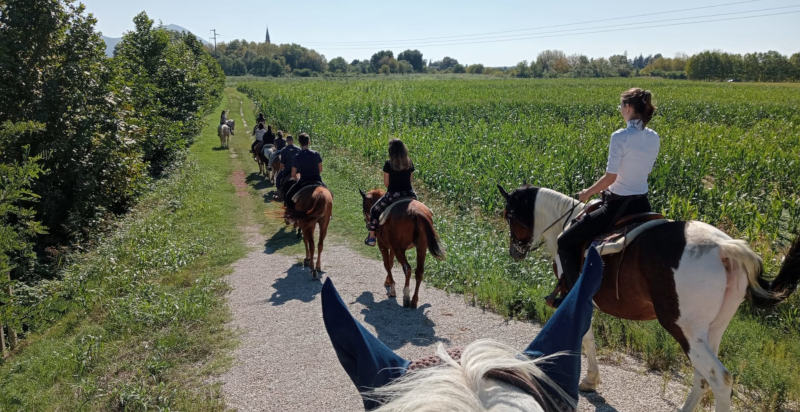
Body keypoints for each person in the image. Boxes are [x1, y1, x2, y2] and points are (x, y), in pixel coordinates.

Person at [554, 88, 659, 307]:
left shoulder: (620, 137)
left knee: (564, 241)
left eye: (621, 106)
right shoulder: (653, 137)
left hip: (617, 207)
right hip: (642, 204)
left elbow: (611, 177)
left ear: (629, 108)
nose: (620, 110)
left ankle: (576, 299)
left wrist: (587, 193)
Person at [364, 139, 416, 246]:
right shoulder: (409, 162)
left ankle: (372, 237)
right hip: (410, 194)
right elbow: (411, 181)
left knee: (374, 210)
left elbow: (386, 184)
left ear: (391, 151)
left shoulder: (388, 164)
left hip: (393, 195)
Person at [284, 133, 324, 211]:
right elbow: (320, 170)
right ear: (309, 142)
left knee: (288, 196)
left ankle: (290, 215)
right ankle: (329, 214)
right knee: (329, 194)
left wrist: (296, 179)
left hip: (303, 181)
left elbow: (293, 174)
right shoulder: (316, 154)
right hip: (317, 180)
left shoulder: (297, 156)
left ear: (299, 143)